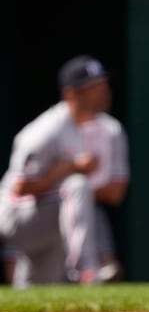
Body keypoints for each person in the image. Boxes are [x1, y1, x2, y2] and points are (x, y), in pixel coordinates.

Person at [0, 55, 128, 287]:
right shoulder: (44, 131)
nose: (103, 91)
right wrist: (69, 169)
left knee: (36, 289)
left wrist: (64, 176)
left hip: (58, 214)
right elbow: (20, 187)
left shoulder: (111, 130)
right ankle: (86, 270)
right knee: (76, 188)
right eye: (93, 87)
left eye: (103, 84)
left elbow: (115, 193)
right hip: (17, 216)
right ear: (71, 94)